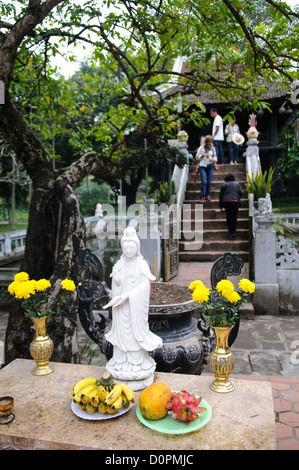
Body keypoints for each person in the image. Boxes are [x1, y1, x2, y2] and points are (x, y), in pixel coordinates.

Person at [103, 226, 162, 390]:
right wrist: (117, 282)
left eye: (131, 247)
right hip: (121, 309)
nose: (128, 250)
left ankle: (137, 364)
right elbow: (117, 284)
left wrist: (129, 296)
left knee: (134, 335)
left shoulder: (141, 264)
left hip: (134, 307)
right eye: (125, 247)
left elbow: (145, 285)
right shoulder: (119, 264)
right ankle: (120, 361)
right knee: (122, 333)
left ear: (137, 247)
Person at [219, 173, 243, 238]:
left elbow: (221, 195)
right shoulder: (237, 184)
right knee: (234, 216)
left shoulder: (224, 185)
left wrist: (220, 205)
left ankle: (230, 228)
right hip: (235, 201)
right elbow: (241, 193)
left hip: (226, 202)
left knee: (228, 215)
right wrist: (238, 198)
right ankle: (233, 231)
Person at [195, 135, 217, 203]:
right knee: (204, 181)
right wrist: (202, 155)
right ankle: (202, 195)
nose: (208, 144)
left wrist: (212, 159)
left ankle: (208, 195)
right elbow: (197, 157)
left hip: (210, 165)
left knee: (209, 182)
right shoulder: (201, 148)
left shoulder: (212, 148)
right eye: (208, 142)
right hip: (203, 165)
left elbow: (215, 157)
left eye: (209, 142)